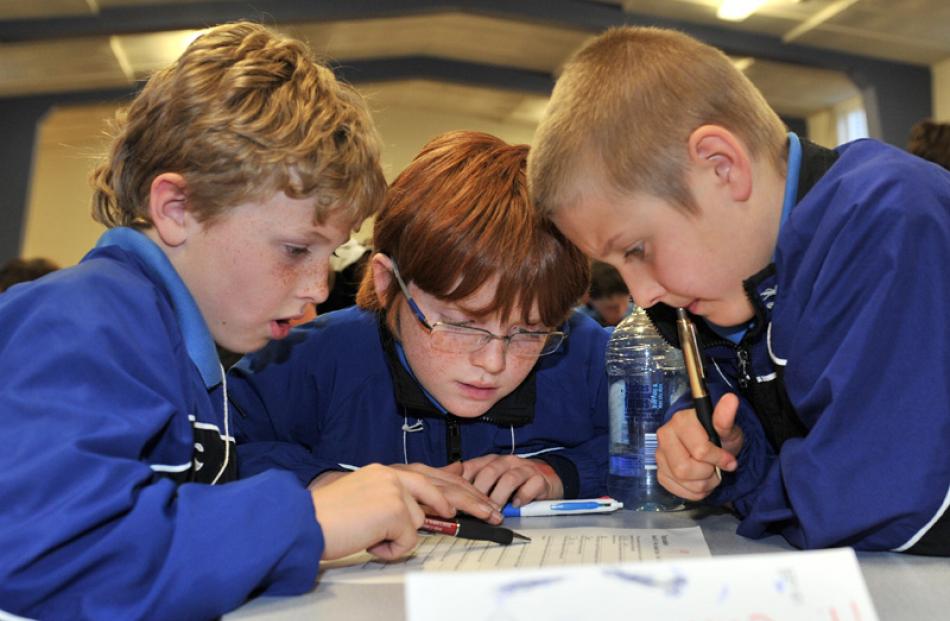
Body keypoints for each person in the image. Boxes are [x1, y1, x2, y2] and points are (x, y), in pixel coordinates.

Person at [0, 22, 471, 620]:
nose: (319, 286)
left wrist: (330, 491)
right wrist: (308, 521)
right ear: (177, 209)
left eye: (333, 255)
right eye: (297, 249)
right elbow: (47, 556)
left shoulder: (184, 351)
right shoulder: (77, 324)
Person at [527, 26, 950, 554]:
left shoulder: (887, 217)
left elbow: (882, 502)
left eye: (636, 248)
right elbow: (809, 468)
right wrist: (729, 455)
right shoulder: (725, 290)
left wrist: (752, 493)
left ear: (721, 166)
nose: (642, 295)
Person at [229, 131, 610, 509]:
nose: (493, 363)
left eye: (529, 332)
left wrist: (563, 472)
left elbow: (658, 441)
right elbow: (220, 454)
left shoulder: (586, 353)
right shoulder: (301, 363)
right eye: (461, 325)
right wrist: (325, 483)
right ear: (386, 282)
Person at [577, 260, 632, 327]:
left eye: (624, 305)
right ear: (588, 299)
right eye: (611, 308)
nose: (620, 312)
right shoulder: (579, 322)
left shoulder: (639, 315)